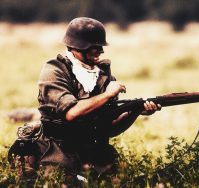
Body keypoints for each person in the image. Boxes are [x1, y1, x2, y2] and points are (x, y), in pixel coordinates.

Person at [9, 17, 161, 185]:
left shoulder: (104, 76)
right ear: (75, 47)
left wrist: (135, 111)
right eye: (93, 47)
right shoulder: (54, 71)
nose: (100, 51)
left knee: (121, 182)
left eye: (100, 47)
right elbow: (71, 113)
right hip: (59, 150)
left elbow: (110, 128)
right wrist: (107, 95)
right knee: (65, 182)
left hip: (95, 152)